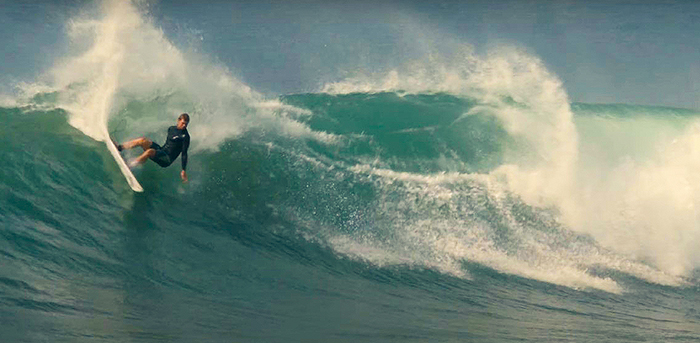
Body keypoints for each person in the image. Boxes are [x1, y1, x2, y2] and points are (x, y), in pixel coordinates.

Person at [115, 113, 191, 183]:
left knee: (150, 151)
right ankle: (120, 147)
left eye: (186, 124)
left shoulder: (185, 137)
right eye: (183, 123)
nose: (184, 125)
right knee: (142, 140)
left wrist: (183, 170)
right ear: (178, 120)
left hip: (167, 159)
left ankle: (130, 165)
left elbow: (184, 153)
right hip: (162, 150)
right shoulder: (171, 129)